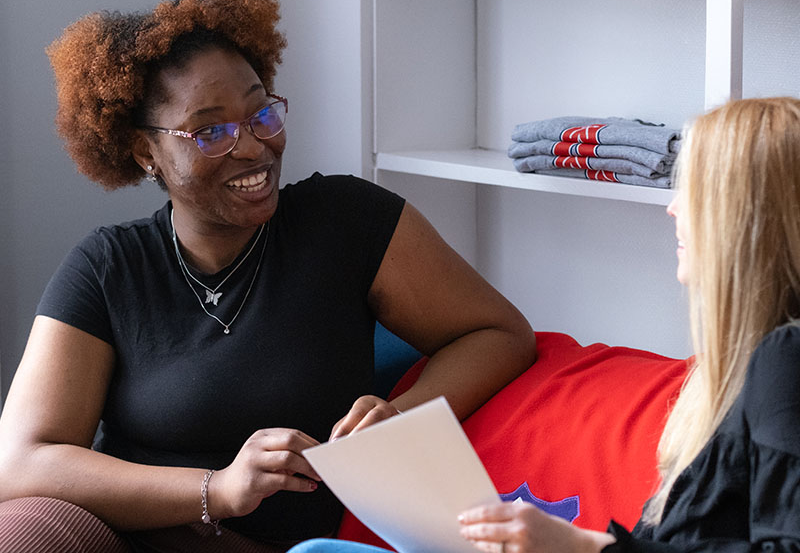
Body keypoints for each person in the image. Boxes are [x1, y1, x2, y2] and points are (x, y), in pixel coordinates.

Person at [0, 0, 537, 552]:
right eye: (210, 130)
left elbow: (498, 333)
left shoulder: (345, 222)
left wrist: (400, 417)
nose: (253, 146)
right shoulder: (108, 267)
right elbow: (22, 463)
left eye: (261, 114)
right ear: (144, 151)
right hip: (121, 534)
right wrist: (219, 488)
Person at [287, 97, 800, 553]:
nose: (671, 208)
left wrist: (576, 545)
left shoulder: (785, 360)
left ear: (746, 220)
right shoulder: (738, 376)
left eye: (693, 190)